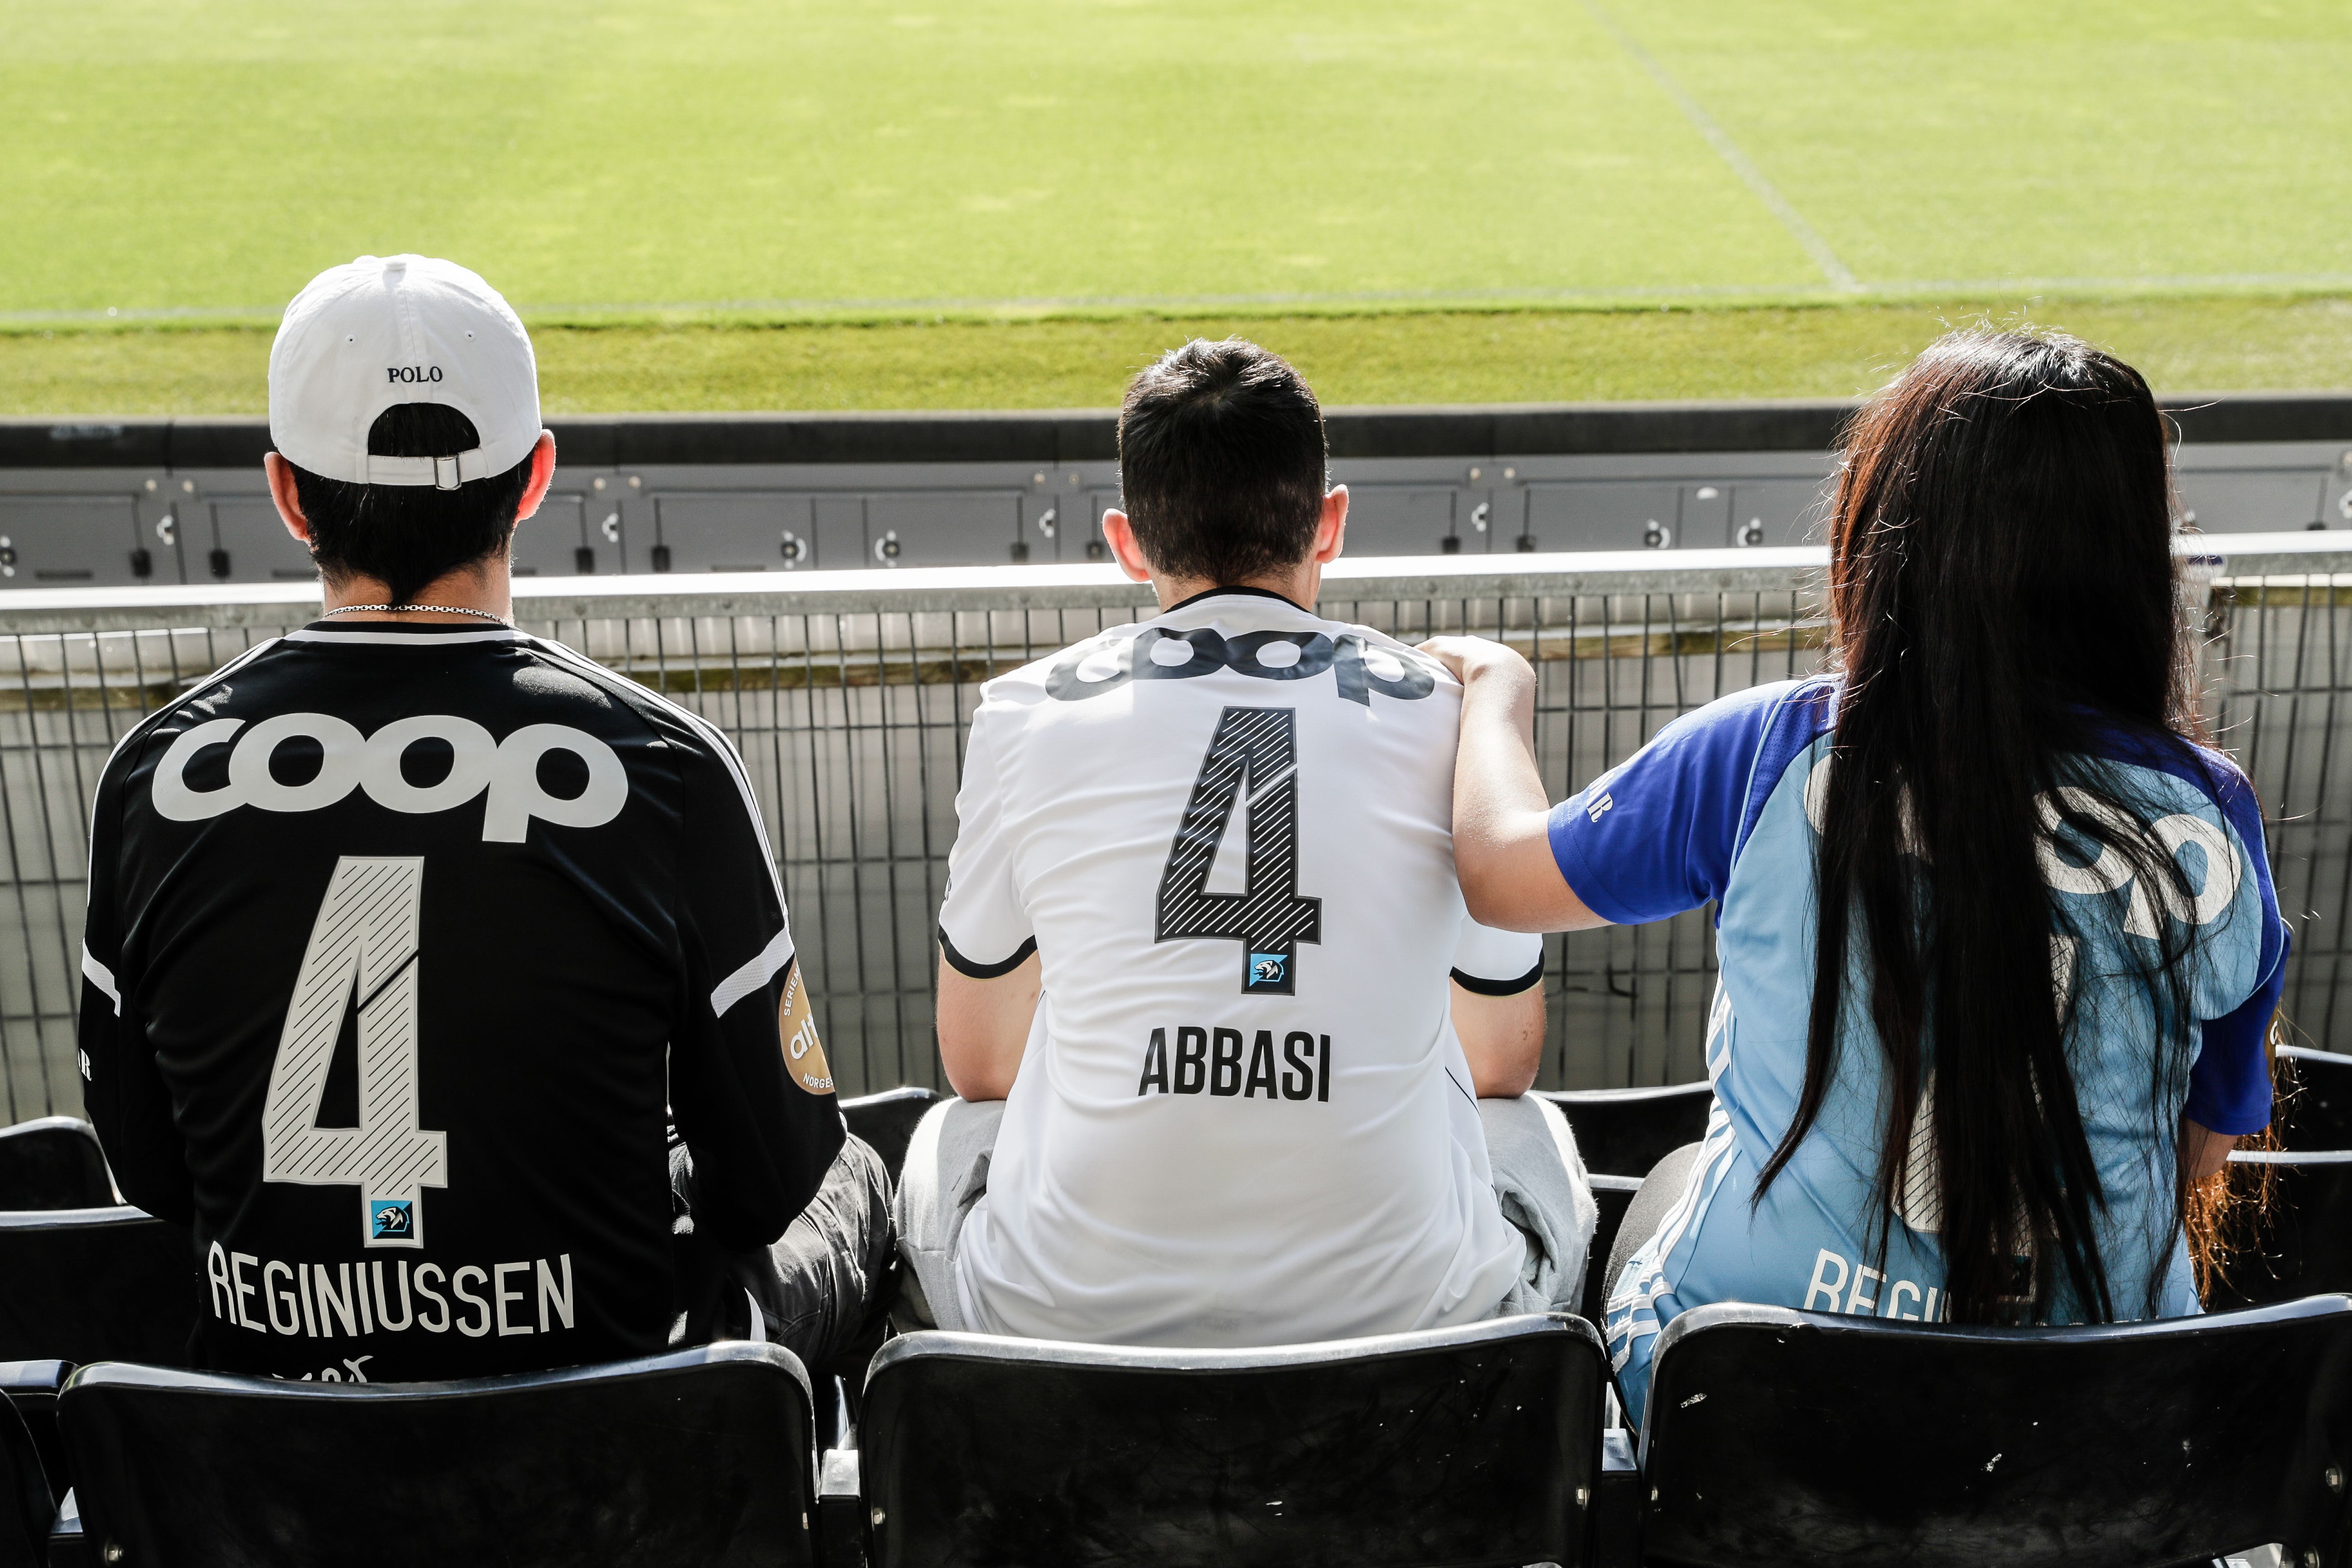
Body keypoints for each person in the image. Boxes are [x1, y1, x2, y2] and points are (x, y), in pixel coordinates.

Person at [1430, 328, 2285, 1426]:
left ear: (1887, 526)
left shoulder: (1770, 748)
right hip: (2088, 1425)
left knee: (1672, 1187)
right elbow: (2200, 1153)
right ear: (2128, 557)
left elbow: (1498, 875)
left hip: (1765, 1407)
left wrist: (1495, 686)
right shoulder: (2211, 815)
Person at [77, 254, 892, 1383]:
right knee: (858, 1175)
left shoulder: (153, 772)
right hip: (607, 1431)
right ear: (536, 477)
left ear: (287, 494)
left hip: (274, 1435)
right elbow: (770, 1182)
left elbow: (148, 1173)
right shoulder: (665, 766)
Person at [895, 338, 1595, 1346]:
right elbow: (1500, 1059)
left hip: (1066, 1330)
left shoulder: (1022, 709)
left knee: (951, 1129)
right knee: (1527, 1125)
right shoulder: (1445, 712)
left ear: (1127, 542)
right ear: (1330, 523)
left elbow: (980, 1067)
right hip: (1408, 1334)